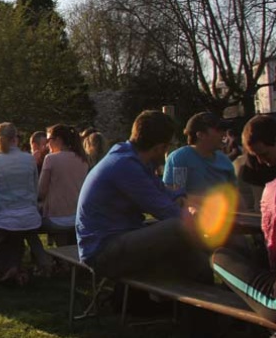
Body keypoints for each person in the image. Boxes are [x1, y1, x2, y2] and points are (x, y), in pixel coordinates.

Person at [76, 110, 212, 283]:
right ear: (159, 148)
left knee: (187, 249)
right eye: (166, 146)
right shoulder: (125, 166)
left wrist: (182, 198)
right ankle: (213, 284)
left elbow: (161, 190)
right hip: (101, 252)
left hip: (118, 238)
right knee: (179, 228)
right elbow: (162, 209)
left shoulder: (130, 158)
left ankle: (192, 298)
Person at [211, 116, 276, 325]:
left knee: (218, 258)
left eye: (264, 154)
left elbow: (272, 248)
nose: (262, 161)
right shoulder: (253, 170)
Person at [0, 123, 43, 285]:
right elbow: (35, 190)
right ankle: (16, 268)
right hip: (30, 216)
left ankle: (9, 267)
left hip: (4, 218)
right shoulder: (29, 159)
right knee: (16, 233)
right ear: (16, 138)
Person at [162, 112, 235, 206]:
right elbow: (177, 196)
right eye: (218, 130)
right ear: (200, 135)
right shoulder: (180, 158)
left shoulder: (224, 160)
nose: (224, 134)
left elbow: (235, 195)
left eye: (224, 130)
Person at [37, 124, 88, 245]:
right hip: (78, 217)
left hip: (56, 218)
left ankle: (44, 258)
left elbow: (41, 192)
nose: (47, 144)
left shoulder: (51, 159)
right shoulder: (83, 159)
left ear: (58, 140)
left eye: (49, 140)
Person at [240, 115, 276, 209]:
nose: (260, 161)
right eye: (255, 156)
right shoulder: (253, 162)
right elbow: (260, 203)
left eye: (264, 154)